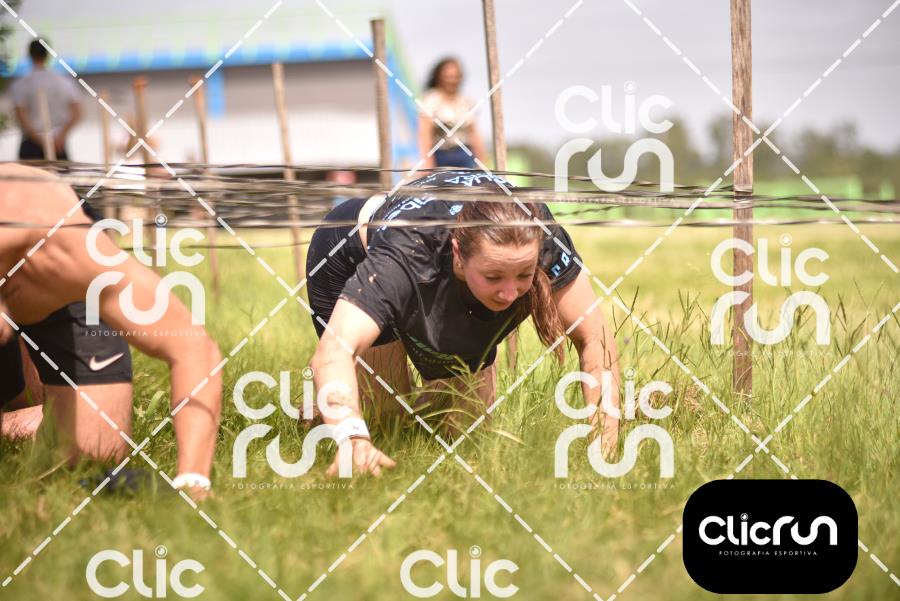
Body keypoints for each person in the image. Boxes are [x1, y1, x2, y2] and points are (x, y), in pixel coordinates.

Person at [307, 171, 620, 477]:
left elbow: (595, 339)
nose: (510, 294)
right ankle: (322, 412)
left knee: (464, 430)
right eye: (493, 276)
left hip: (438, 255)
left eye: (524, 275)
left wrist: (604, 448)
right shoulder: (405, 251)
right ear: (458, 254)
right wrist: (352, 439)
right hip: (352, 250)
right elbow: (334, 352)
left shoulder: (542, 235)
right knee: (387, 422)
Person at [0, 163, 222, 496]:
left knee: (97, 453)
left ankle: (22, 414)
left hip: (49, 274)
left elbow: (193, 348)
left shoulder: (73, 251)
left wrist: (193, 481)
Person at [10, 40, 81, 161]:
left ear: (29, 55)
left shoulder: (21, 84)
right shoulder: (64, 82)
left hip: (32, 144)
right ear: (48, 55)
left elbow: (20, 115)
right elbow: (77, 113)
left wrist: (40, 139)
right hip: (57, 142)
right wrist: (61, 136)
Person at [418, 58, 488, 169]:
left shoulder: (466, 102)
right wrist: (427, 163)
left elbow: (474, 134)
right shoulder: (430, 100)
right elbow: (425, 135)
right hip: (439, 155)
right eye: (448, 77)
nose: (452, 81)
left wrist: (483, 163)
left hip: (464, 155)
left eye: (456, 77)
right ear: (439, 77)